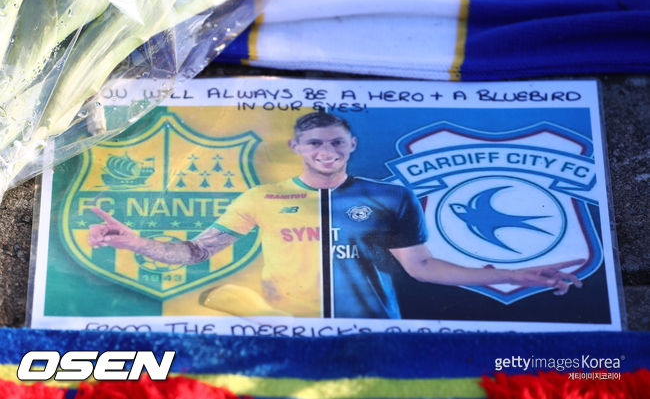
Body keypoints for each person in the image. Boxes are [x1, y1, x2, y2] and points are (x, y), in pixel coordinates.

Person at [89, 112, 583, 319]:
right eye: (314, 143)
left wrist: (513, 273)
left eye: (336, 142)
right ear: (296, 147)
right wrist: (136, 243)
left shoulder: (391, 197)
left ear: (352, 145)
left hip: (375, 329)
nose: (326, 150)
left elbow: (423, 268)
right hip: (284, 327)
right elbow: (197, 252)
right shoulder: (261, 197)